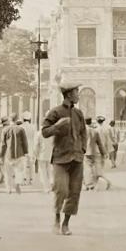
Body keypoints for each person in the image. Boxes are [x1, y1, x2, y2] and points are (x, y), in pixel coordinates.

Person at [41, 79, 88, 236]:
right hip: (61, 159)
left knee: (75, 193)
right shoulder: (55, 112)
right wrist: (57, 126)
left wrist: (83, 148)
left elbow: (83, 132)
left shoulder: (78, 113)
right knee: (61, 190)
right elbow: (44, 131)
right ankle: (56, 219)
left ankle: (66, 224)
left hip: (77, 158)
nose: (78, 95)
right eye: (76, 92)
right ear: (69, 94)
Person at [0, 113, 28, 194]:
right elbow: (25, 142)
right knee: (19, 171)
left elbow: (3, 144)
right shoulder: (21, 129)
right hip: (19, 153)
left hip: (8, 154)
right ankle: (17, 183)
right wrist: (25, 152)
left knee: (8, 173)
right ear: (17, 119)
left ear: (9, 120)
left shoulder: (5, 130)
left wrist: (1, 155)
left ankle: (8, 188)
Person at [84, 117, 111, 191]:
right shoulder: (95, 131)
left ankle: (89, 184)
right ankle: (91, 183)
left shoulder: (82, 131)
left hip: (85, 152)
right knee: (93, 168)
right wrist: (103, 153)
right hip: (93, 152)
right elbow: (100, 144)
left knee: (88, 168)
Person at [33, 111, 54, 193]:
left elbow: (36, 145)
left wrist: (35, 154)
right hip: (51, 154)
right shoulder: (52, 133)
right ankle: (52, 183)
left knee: (43, 172)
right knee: (50, 170)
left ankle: (46, 187)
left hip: (41, 155)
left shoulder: (39, 133)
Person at [21, 111, 36, 185]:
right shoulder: (33, 127)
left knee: (23, 164)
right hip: (31, 147)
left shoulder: (21, 127)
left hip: (22, 148)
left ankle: (23, 180)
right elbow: (35, 138)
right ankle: (31, 179)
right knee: (31, 165)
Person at [0, 115, 9, 185]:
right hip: (8, 147)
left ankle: (4, 176)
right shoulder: (11, 129)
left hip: (1, 146)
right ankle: (5, 176)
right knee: (6, 163)